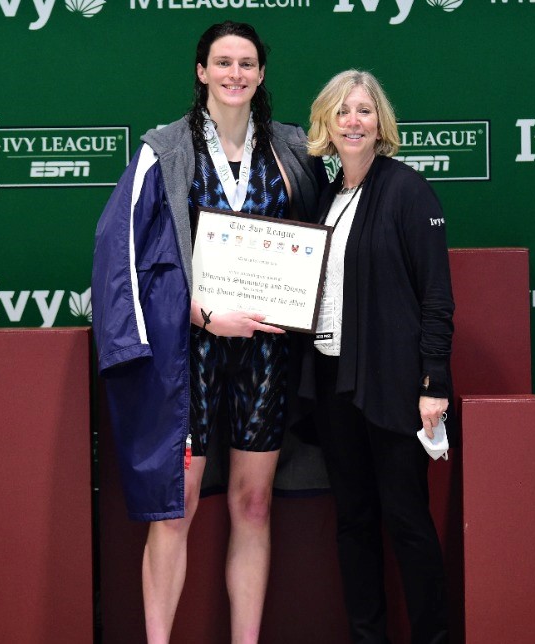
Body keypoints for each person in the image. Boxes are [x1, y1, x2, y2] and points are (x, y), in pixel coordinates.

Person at [91, 21, 325, 644]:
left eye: (247, 64)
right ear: (201, 72)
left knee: (253, 504)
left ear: (261, 74)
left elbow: (332, 229)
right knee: (179, 505)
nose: (235, 74)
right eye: (222, 63)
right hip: (186, 349)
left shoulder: (293, 149)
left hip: (269, 350)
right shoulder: (163, 149)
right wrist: (198, 313)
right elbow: (124, 254)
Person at [301, 70, 454, 644]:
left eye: (363, 110)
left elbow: (437, 296)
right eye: (342, 112)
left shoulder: (409, 191)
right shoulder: (327, 196)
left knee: (408, 523)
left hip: (394, 386)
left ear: (380, 121)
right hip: (333, 380)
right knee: (354, 523)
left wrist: (433, 381)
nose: (353, 121)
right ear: (326, 123)